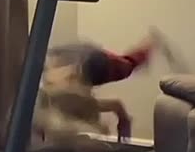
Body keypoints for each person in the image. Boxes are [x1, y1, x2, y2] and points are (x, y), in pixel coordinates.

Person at [33, 28, 170, 141]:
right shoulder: (58, 99)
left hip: (91, 61)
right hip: (81, 60)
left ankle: (151, 42)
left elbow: (116, 107)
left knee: (127, 66)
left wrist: (119, 130)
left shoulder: (69, 92)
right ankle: (149, 43)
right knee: (127, 64)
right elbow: (116, 108)